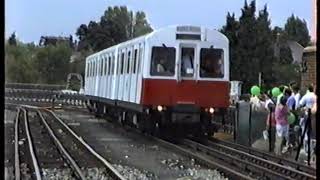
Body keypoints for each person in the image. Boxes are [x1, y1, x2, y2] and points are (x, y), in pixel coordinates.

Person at [299, 85, 317, 155]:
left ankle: (307, 150)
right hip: (313, 117)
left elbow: (300, 104)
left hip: (308, 115)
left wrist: (304, 108)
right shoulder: (315, 97)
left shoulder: (307, 96)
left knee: (306, 132)